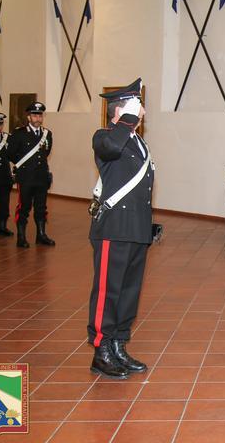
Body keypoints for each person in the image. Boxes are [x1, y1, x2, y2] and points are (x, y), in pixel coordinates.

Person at [87, 78, 154, 379]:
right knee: (108, 290)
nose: (142, 112)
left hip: (135, 229)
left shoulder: (138, 142)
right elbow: (113, 147)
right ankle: (101, 351)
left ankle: (118, 345)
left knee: (129, 292)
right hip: (113, 228)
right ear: (120, 111)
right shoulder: (104, 137)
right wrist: (127, 119)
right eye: (137, 106)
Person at [7, 101, 55, 248]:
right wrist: (24, 167)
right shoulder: (19, 133)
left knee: (41, 208)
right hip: (26, 177)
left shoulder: (47, 134)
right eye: (35, 115)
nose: (38, 118)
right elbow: (10, 154)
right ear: (29, 117)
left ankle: (41, 235)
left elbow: (45, 153)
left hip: (41, 177)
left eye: (40, 115)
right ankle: (21, 237)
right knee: (24, 207)